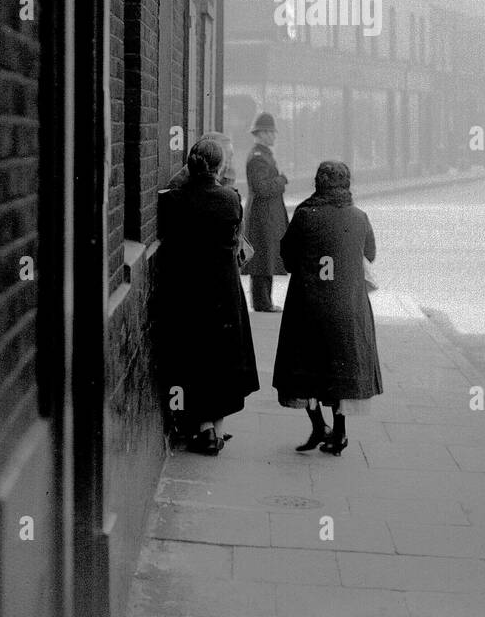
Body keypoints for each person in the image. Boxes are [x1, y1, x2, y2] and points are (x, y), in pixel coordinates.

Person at [273, 160, 382, 456]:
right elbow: (369, 254)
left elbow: (288, 259)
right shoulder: (359, 217)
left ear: (318, 183)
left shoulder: (305, 215)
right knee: (339, 368)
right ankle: (340, 434)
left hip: (308, 305)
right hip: (348, 305)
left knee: (305, 367)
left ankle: (319, 425)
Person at [160, 137, 259, 453]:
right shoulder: (231, 200)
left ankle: (204, 430)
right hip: (224, 289)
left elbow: (175, 194)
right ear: (220, 168)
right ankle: (216, 428)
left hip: (189, 289)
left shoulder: (174, 200)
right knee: (222, 356)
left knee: (195, 356)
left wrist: (185, 174)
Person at [243, 112, 289, 312]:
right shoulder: (258, 158)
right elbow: (262, 188)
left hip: (266, 216)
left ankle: (265, 301)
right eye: (270, 132)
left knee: (266, 258)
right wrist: (281, 180)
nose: (273, 136)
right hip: (263, 216)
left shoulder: (263, 155)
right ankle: (262, 303)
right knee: (262, 259)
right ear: (261, 133)